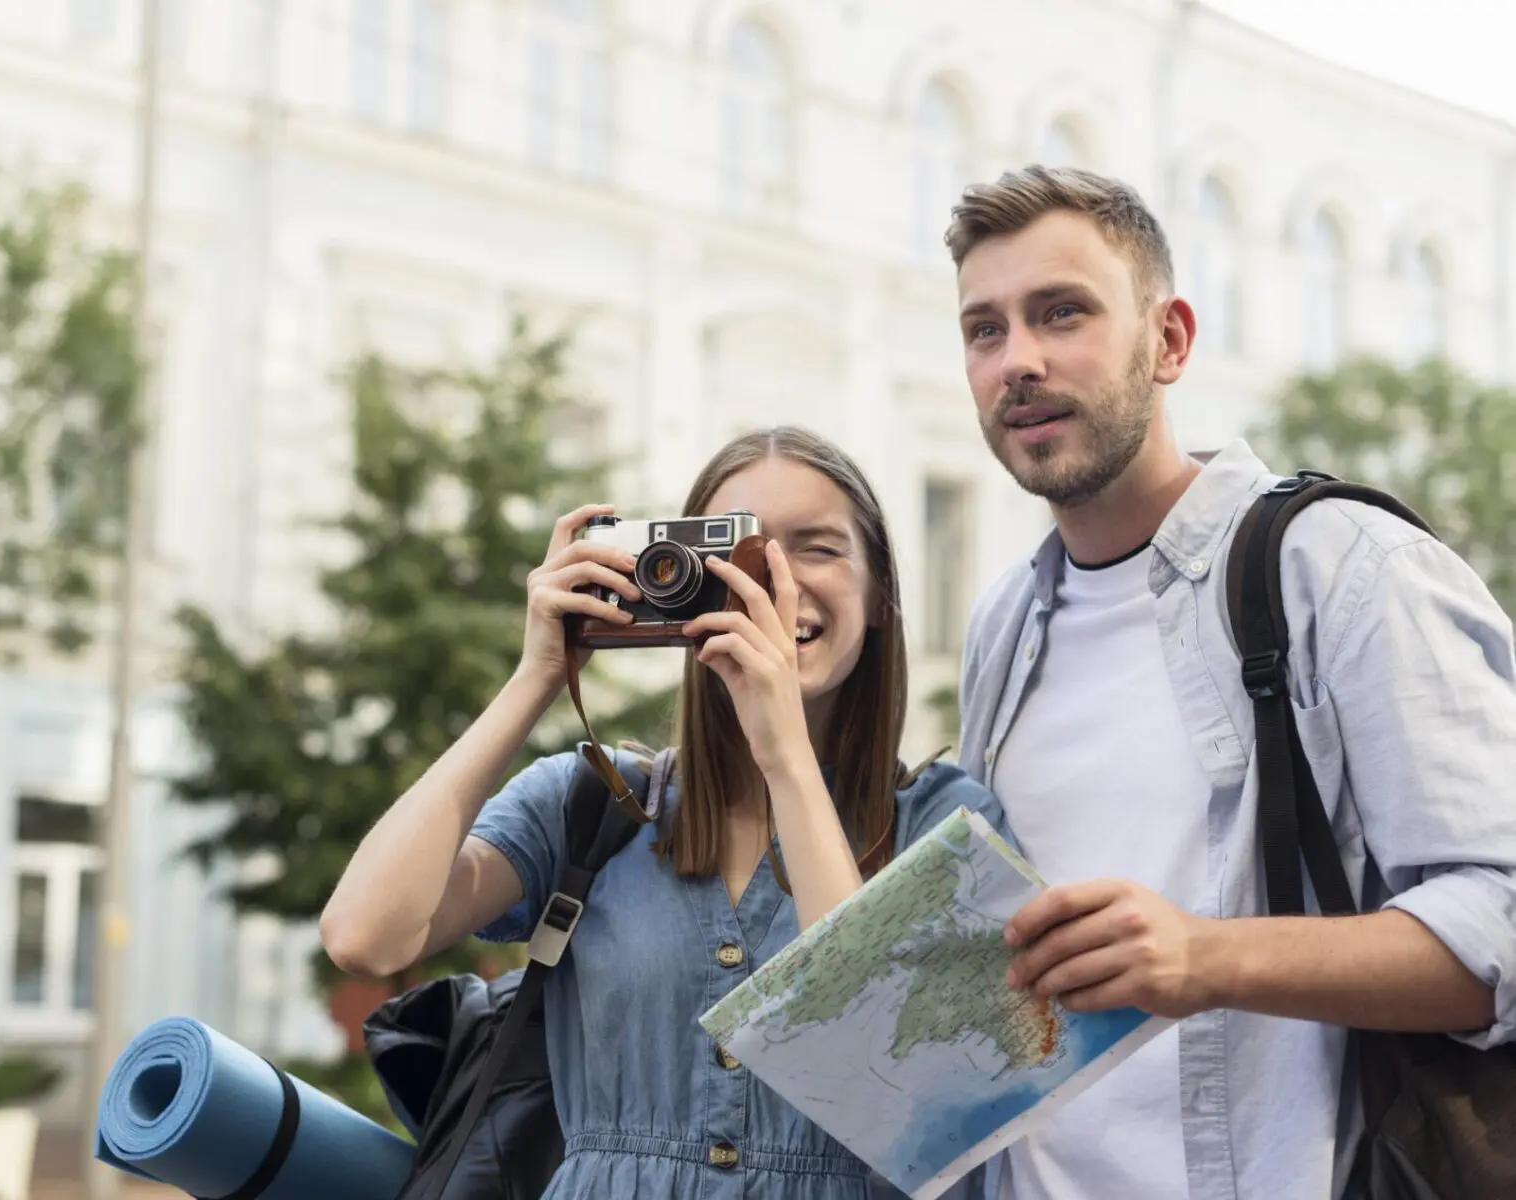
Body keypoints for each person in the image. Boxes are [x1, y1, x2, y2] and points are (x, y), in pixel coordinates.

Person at [944, 163, 1516, 1199]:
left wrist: (1204, 959)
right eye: (984, 330)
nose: (1016, 361)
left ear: (1168, 341)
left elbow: (1502, 922)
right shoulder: (1001, 623)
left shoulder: (1340, 569)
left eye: (1060, 313)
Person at [319, 425, 1003, 1198]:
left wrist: (784, 755)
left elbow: (884, 1074)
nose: (772, 582)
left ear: (881, 594)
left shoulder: (945, 827)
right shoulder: (593, 806)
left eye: (818, 547)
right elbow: (364, 935)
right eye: (738, 550)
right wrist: (536, 676)